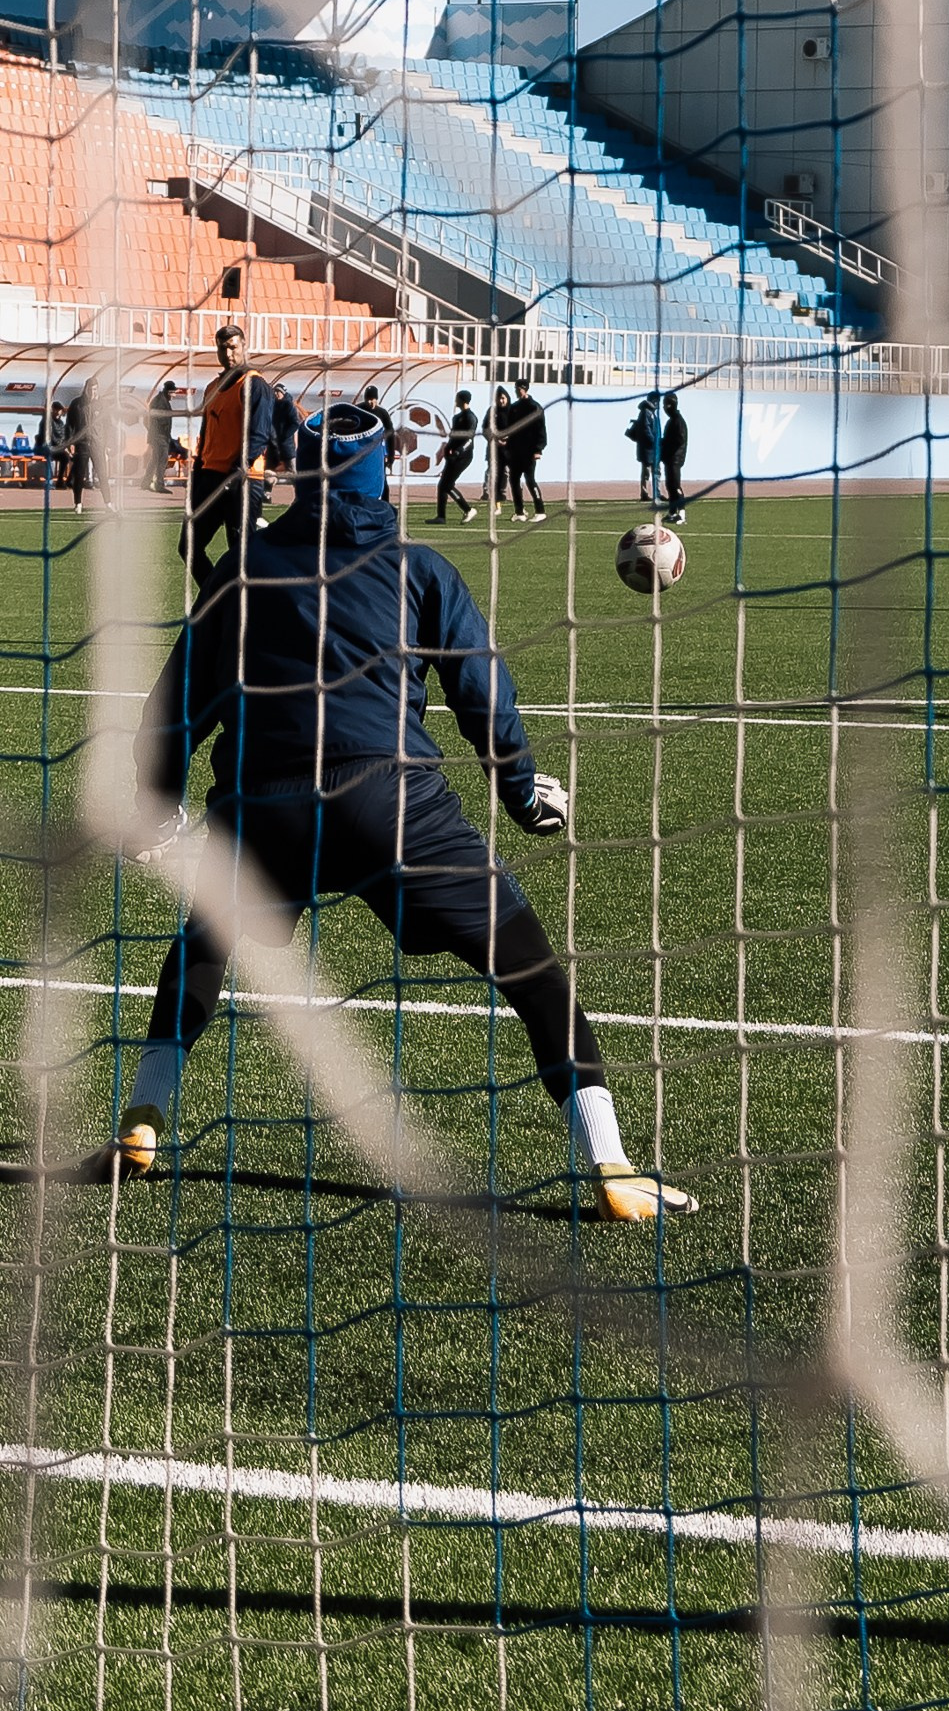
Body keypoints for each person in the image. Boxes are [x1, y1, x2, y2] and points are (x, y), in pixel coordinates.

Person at [99, 403, 689, 1223]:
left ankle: (142, 1123)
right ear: (383, 472)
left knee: (204, 945)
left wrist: (156, 808)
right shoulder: (422, 568)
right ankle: (611, 1164)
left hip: (261, 806)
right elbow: (483, 696)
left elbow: (173, 706)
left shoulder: (239, 570)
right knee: (529, 968)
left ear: (298, 471)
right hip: (393, 801)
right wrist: (522, 795)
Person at [182, 323, 276, 581]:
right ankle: (218, 600)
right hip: (210, 478)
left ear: (244, 347)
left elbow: (258, 436)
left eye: (233, 347)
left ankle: (244, 610)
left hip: (241, 481)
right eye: (222, 348)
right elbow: (205, 437)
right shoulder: (212, 388)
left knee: (241, 552)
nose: (228, 354)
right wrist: (197, 475)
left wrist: (236, 474)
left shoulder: (255, 384)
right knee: (188, 545)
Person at [500, 381, 548, 521]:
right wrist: (506, 440)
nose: (516, 391)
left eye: (518, 389)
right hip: (515, 451)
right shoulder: (514, 408)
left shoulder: (535, 408)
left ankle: (540, 511)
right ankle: (519, 512)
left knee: (530, 479)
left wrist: (538, 449)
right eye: (515, 388)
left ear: (524, 389)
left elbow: (541, 430)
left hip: (529, 451)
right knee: (514, 480)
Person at [436, 390, 479, 525]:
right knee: (442, 485)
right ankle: (441, 517)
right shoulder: (457, 418)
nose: (456, 401)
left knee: (447, 485)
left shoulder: (471, 418)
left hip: (464, 456)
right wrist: (447, 449)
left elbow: (469, 439)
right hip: (453, 456)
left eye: (458, 398)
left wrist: (460, 451)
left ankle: (468, 510)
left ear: (463, 400)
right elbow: (453, 437)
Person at [62, 380, 105, 511]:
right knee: (79, 475)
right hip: (82, 443)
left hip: (97, 443)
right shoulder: (77, 404)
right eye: (91, 389)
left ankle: (108, 503)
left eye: (95, 389)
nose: (93, 392)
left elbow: (107, 425)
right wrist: (69, 442)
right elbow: (69, 425)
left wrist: (108, 443)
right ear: (86, 389)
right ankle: (78, 503)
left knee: (103, 474)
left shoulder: (101, 404)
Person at [359, 384, 400, 501]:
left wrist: (390, 456)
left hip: (377, 452)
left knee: (382, 480)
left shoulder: (382, 413)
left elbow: (390, 435)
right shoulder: (359, 410)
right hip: (361, 452)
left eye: (373, 399)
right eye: (368, 399)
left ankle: (385, 505)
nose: (370, 402)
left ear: (377, 399)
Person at [626, 392, 664, 504]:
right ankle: (645, 493)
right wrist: (655, 442)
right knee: (648, 472)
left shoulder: (651, 413)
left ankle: (655, 492)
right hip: (648, 449)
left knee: (655, 471)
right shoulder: (646, 413)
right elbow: (646, 431)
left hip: (651, 449)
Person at [144, 380, 178, 496]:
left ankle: (146, 482)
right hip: (160, 436)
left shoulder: (159, 400)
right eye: (173, 393)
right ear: (169, 392)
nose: (174, 395)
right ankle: (159, 484)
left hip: (158, 436)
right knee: (162, 460)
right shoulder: (160, 402)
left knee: (155, 459)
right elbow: (160, 420)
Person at [659, 389, 688, 523]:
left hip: (675, 459)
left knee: (675, 485)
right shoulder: (672, 421)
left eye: (666, 405)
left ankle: (681, 513)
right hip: (670, 458)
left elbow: (679, 440)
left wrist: (667, 445)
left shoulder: (678, 422)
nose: (665, 408)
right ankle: (672, 512)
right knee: (670, 485)